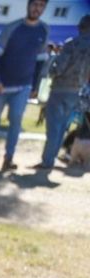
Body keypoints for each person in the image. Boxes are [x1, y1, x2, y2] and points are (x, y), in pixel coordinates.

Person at [0, 0, 50, 171]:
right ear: (28, 5)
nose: (37, 8)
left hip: (23, 85)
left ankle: (8, 158)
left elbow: (41, 60)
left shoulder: (44, 29)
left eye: (41, 6)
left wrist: (35, 86)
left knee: (16, 121)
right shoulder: (12, 27)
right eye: (34, 4)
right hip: (2, 85)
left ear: (44, 9)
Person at [34, 14, 90, 170]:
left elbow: (58, 69)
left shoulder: (71, 44)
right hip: (76, 91)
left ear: (80, 27)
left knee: (53, 127)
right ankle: (50, 158)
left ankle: (47, 160)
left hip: (60, 89)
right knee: (62, 126)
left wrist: (50, 67)